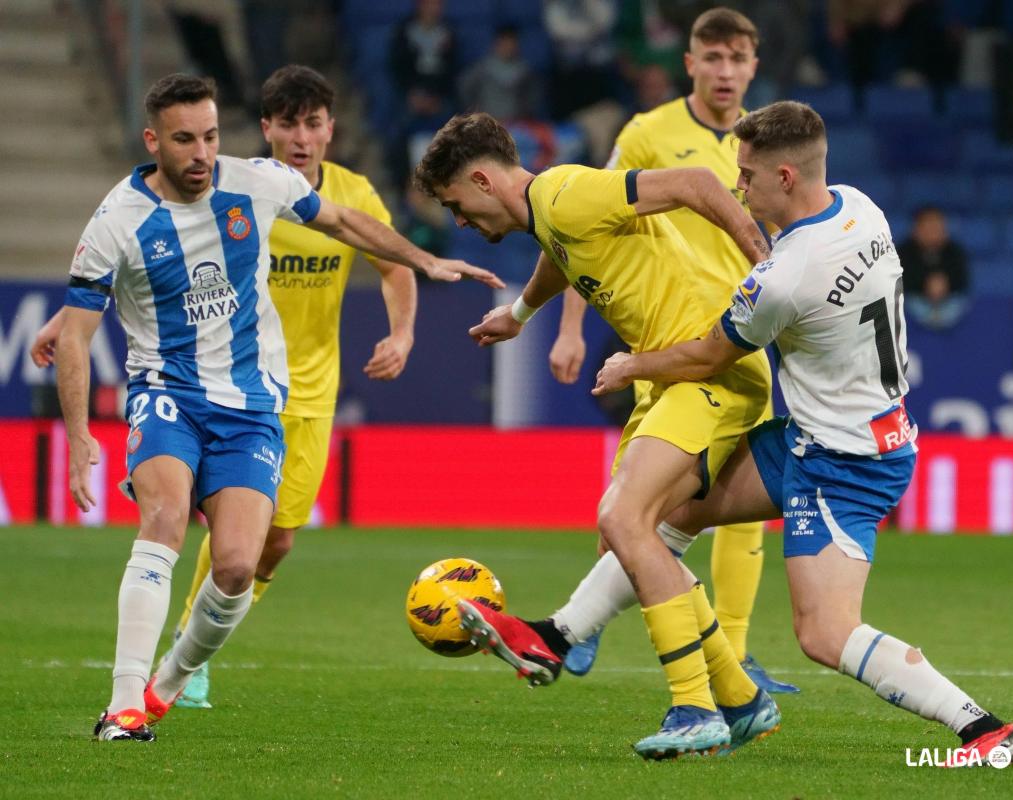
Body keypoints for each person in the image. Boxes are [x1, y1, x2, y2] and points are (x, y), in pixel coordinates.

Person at [55, 73, 499, 742]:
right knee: (168, 517)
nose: (202, 152)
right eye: (184, 140)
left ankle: (166, 685)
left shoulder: (256, 183)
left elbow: (347, 221)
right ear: (153, 141)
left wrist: (425, 260)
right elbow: (76, 331)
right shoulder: (117, 220)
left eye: (208, 135)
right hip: (166, 394)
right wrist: (82, 433)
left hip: (255, 404)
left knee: (240, 564)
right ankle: (122, 704)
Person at [589, 100, 1013, 766]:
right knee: (665, 512)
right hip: (826, 433)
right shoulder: (862, 208)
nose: (738, 187)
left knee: (825, 632)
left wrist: (632, 364)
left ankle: (986, 729)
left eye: (747, 175)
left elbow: (711, 355)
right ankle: (592, 640)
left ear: (786, 177)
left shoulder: (785, 275)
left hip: (843, 461)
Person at [414, 111, 779, 759]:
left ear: (479, 179)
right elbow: (564, 257)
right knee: (632, 534)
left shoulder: (567, 192)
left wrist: (767, 266)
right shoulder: (554, 215)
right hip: (671, 378)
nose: (461, 222)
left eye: (457, 206)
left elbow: (698, 181)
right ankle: (739, 697)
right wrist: (522, 314)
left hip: (706, 368)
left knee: (625, 517)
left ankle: (693, 707)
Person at [546, 6, 797, 694]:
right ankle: (585, 623)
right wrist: (570, 328)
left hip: (742, 345)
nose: (724, 71)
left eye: (737, 59)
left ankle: (732, 658)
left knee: (736, 514)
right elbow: (585, 223)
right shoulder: (649, 134)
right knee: (632, 512)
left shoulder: (766, 144)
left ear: (753, 65)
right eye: (711, 58)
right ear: (689, 63)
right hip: (669, 345)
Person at [897, 206, 970, 330]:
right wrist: (925, 285)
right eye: (927, 227)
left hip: (948, 302)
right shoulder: (902, 252)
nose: (933, 232)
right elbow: (900, 282)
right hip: (915, 301)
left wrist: (945, 285)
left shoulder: (955, 252)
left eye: (937, 227)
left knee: (957, 304)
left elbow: (963, 282)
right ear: (916, 229)